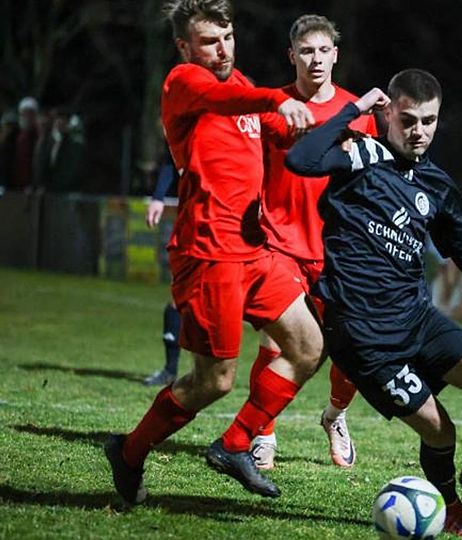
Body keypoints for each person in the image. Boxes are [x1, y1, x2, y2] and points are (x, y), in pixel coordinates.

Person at [286, 70, 462, 538]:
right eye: (408, 120)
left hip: (417, 318)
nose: (418, 131)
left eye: (429, 121)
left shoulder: (436, 184)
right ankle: (453, 509)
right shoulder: (359, 155)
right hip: (364, 337)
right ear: (388, 113)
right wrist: (351, 111)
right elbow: (301, 158)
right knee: (441, 432)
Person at [104, 0, 325, 506]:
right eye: (209, 41)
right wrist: (276, 99)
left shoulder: (242, 85)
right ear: (185, 46)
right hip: (208, 254)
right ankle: (130, 452)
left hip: (254, 248)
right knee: (214, 382)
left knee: (308, 346)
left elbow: (276, 133)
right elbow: (231, 103)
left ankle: (235, 444)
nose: (222, 49)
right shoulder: (183, 82)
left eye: (227, 37)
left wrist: (330, 123)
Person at [249, 13, 378, 471]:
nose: (316, 59)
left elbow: (369, 184)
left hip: (336, 249)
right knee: (277, 342)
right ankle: (262, 432)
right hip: (278, 243)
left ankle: (335, 416)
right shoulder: (273, 107)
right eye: (307, 50)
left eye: (324, 50)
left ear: (336, 55)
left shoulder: (359, 115)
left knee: (353, 346)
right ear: (292, 56)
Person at [143, 150, 181, 387]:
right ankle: (170, 369)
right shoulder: (197, 120)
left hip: (239, 223)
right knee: (179, 294)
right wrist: (159, 197)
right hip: (199, 222)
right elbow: (172, 155)